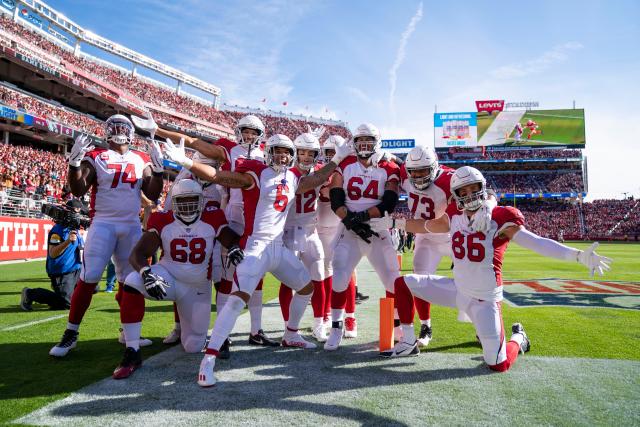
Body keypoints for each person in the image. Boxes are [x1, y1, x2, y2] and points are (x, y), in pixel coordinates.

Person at [162, 132, 351, 386]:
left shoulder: (294, 177)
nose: (282, 155)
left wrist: (337, 158)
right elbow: (218, 176)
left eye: (286, 151)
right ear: (268, 152)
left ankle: (291, 333)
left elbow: (317, 177)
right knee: (235, 302)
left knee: (307, 287)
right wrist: (186, 162)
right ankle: (208, 360)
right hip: (256, 247)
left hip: (278, 248)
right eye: (278, 150)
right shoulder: (256, 175)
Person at [384, 166, 612, 373]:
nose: (469, 195)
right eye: (463, 192)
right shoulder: (453, 216)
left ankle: (518, 338)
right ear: (456, 196)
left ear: (483, 189)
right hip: (458, 290)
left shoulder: (500, 217)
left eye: (474, 189)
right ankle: (409, 341)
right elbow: (425, 225)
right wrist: (394, 223)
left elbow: (535, 241)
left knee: (498, 364)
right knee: (402, 283)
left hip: (485, 301)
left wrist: (578, 256)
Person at [133, 114, 276, 350]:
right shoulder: (226, 152)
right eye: (245, 131)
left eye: (253, 132)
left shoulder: (268, 155)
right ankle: (212, 332)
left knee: (248, 275)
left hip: (255, 218)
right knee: (218, 277)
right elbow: (191, 142)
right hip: (230, 217)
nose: (248, 136)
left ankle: (252, 329)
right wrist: (158, 130)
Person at [49, 114, 164, 357]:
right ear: (107, 131)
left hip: (131, 224)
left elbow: (152, 194)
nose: (120, 130)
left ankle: (128, 331)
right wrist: (74, 164)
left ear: (131, 133)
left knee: (132, 281)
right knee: (89, 276)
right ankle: (71, 333)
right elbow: (79, 189)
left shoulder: (140, 158)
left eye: (124, 127)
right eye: (116, 126)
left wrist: (159, 172)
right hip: (103, 222)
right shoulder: (97, 156)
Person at [113, 179, 244, 379]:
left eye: (193, 199)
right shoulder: (162, 220)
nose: (188, 205)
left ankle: (188, 332)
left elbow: (229, 237)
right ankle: (132, 351)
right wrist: (146, 273)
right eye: (183, 200)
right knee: (132, 281)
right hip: (169, 278)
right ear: (173, 202)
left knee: (193, 346)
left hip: (198, 287)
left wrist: (234, 247)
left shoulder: (213, 216)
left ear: (201, 200)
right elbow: (137, 253)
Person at [400, 145, 496, 347]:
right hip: (426, 236)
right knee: (419, 278)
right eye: (413, 171)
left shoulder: (448, 179)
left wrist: (489, 203)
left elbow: (485, 190)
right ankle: (426, 326)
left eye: (423, 170)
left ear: (434, 167)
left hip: (454, 237)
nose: (417, 176)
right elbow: (391, 162)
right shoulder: (405, 171)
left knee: (475, 281)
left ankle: (483, 327)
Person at [325, 123, 401, 351]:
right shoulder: (346, 164)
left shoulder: (388, 166)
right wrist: (351, 221)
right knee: (338, 276)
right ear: (354, 143)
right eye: (360, 140)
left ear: (377, 142)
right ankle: (337, 327)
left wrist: (361, 218)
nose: (364, 145)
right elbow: (336, 200)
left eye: (369, 140)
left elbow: (389, 202)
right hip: (348, 229)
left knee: (393, 279)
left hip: (377, 228)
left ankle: (397, 326)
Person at [277, 132, 327, 341]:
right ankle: (289, 326)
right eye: (302, 152)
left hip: (310, 232)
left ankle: (319, 324)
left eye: (311, 153)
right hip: (288, 233)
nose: (306, 157)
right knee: (288, 281)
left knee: (319, 278)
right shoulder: (284, 172)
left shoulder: (319, 172)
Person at [20, 199, 85, 311]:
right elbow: (53, 253)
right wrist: (67, 241)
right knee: (67, 304)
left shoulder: (74, 228)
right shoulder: (58, 231)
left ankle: (63, 293)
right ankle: (30, 294)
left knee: (93, 287)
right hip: (62, 271)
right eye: (76, 212)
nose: (78, 216)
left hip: (76, 268)